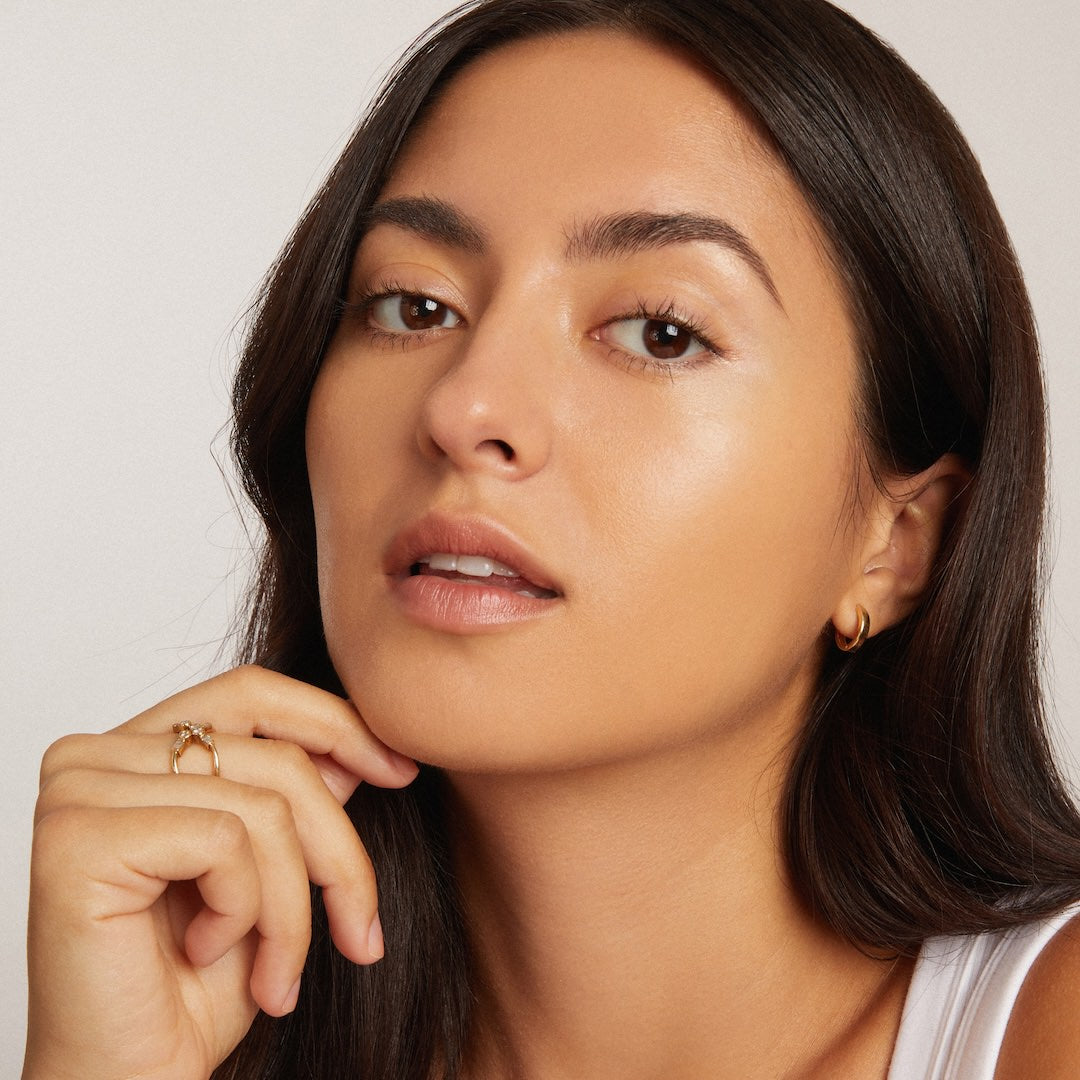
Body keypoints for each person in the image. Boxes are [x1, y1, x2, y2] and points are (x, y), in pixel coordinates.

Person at [23, 0, 1080, 1077]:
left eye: (658, 332)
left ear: (898, 544)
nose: (463, 406)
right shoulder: (203, 1027)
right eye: (412, 307)